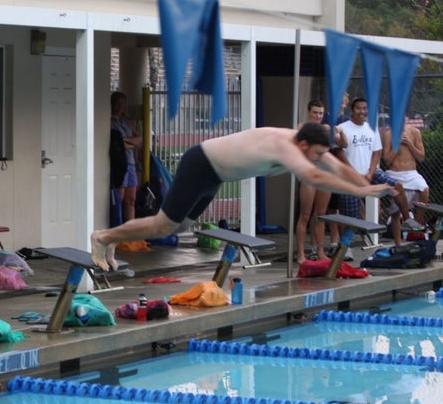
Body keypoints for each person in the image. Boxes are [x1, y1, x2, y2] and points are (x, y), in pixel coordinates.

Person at [90, 123, 397, 271]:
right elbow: (313, 176)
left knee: (176, 227)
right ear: (304, 145)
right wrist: (359, 191)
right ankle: (103, 237)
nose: (320, 157)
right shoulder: (284, 145)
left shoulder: (309, 145)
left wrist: (367, 185)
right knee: (161, 226)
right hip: (200, 165)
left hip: (215, 176)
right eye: (316, 154)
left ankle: (113, 238)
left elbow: (338, 166)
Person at [337, 97, 410, 247]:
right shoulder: (343, 127)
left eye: (365, 109)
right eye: (359, 108)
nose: (362, 111)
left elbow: (377, 152)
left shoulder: (372, 128)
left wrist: (370, 172)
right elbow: (339, 153)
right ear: (352, 110)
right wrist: (353, 173)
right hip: (348, 178)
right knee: (349, 218)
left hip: (370, 173)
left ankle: (408, 220)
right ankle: (344, 248)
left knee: (397, 186)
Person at [295, 100, 347, 263]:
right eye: (315, 112)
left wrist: (340, 131)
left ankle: (320, 251)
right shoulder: (302, 128)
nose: (318, 116)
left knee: (321, 215)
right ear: (309, 112)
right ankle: (301, 253)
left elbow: (343, 144)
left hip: (324, 175)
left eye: (320, 113)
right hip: (309, 175)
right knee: (305, 215)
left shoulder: (327, 128)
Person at [381, 115, 430, 237]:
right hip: (394, 173)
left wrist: (409, 143)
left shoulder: (415, 132)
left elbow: (421, 157)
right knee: (395, 212)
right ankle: (398, 243)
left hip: (412, 174)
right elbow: (387, 160)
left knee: (424, 189)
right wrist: (396, 145)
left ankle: (416, 224)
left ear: (407, 118)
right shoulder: (388, 133)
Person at [110, 92, 142, 223]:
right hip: (120, 163)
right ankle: (118, 228)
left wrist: (125, 142)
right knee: (120, 197)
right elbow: (115, 143)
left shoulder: (128, 122)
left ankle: (130, 232)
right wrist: (131, 142)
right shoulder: (109, 121)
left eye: (122, 103)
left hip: (131, 163)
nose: (120, 106)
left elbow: (139, 139)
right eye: (117, 103)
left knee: (131, 199)